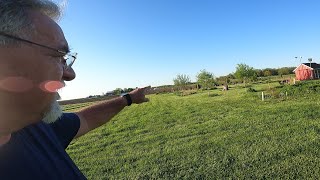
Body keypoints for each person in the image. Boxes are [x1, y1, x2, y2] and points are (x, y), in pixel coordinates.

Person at [0, 0, 149, 179]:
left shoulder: (32, 125)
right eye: (59, 56)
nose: (70, 74)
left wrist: (129, 98)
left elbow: (85, 119)